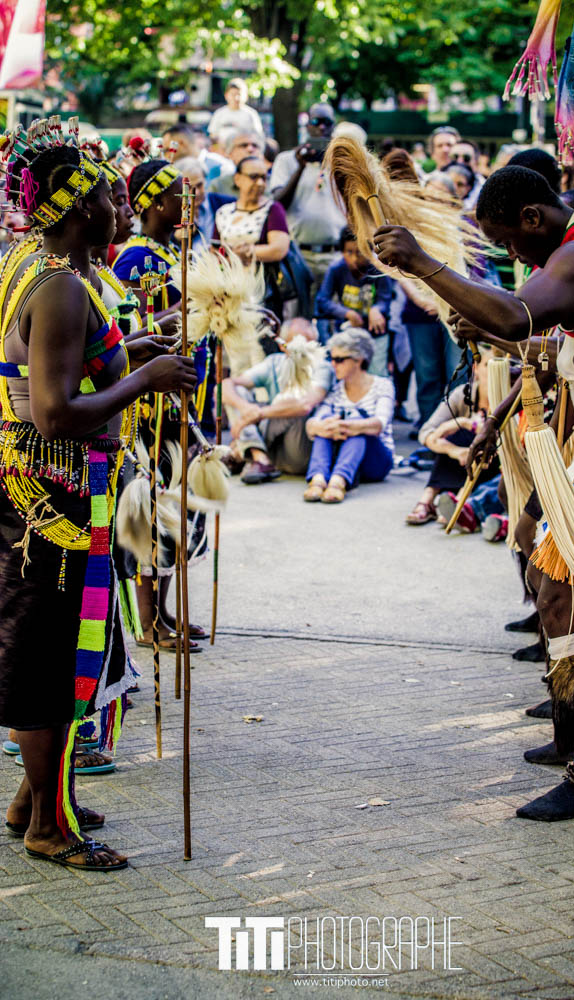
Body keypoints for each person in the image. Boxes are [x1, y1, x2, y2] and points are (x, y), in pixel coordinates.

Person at [373, 164, 574, 821]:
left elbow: (515, 313)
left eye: (509, 242)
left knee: (559, 590)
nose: (512, 257)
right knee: (554, 583)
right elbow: (546, 338)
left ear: (533, 218)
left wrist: (422, 263)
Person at [0, 124, 196, 871]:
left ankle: (34, 800)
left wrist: (133, 351)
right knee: (46, 661)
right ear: (81, 210)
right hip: (47, 495)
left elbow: (70, 368)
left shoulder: (34, 263)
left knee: (50, 651)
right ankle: (47, 828)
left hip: (43, 490)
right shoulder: (58, 288)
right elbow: (54, 411)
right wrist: (142, 380)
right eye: (111, 195)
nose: (122, 205)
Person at [113, 158, 209, 650]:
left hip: (185, 405)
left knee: (181, 509)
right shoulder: (134, 259)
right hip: (154, 412)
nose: (185, 201)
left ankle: (165, 612)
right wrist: (196, 306)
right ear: (152, 203)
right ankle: (148, 621)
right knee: (156, 510)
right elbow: (131, 334)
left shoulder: (178, 252)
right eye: (176, 192)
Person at [222, 317, 334, 483]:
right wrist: (245, 408)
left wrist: (258, 414)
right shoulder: (274, 362)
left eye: (310, 344)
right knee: (237, 392)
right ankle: (257, 455)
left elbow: (305, 404)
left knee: (290, 402)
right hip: (273, 447)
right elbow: (225, 386)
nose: (305, 350)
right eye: (298, 344)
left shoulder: (322, 367)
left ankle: (241, 451)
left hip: (299, 449)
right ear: (283, 345)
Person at [405, 351, 497, 524]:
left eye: (498, 367)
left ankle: (460, 502)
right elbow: (426, 433)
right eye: (488, 365)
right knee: (456, 435)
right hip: (460, 460)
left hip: (489, 464)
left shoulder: (508, 398)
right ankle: (428, 497)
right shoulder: (463, 394)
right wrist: (456, 442)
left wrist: (475, 428)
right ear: (476, 369)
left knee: (478, 441)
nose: (493, 372)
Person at [304, 330, 394, 503]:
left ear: (358, 360)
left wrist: (345, 426)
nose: (333, 364)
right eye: (332, 359)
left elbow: (378, 425)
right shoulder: (336, 389)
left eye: (339, 360)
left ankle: (339, 481)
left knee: (357, 424)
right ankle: (318, 478)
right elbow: (312, 423)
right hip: (343, 455)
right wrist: (324, 427)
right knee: (326, 422)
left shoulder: (383, 386)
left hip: (376, 462)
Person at [270, 103, 347, 301]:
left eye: (327, 123)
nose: (321, 128)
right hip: (298, 254)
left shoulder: (342, 163)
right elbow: (278, 205)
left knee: (332, 318)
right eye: (316, 122)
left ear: (333, 127)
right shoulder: (287, 160)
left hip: (335, 255)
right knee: (297, 319)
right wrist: (300, 167)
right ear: (307, 126)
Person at [214, 155, 291, 318]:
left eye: (264, 177)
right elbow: (213, 250)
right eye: (254, 177)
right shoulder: (224, 212)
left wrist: (247, 252)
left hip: (261, 290)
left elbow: (279, 249)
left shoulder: (273, 209)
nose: (260, 183)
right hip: (228, 290)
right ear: (237, 179)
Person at [315, 227, 392, 375]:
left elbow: (385, 299)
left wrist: (376, 309)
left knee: (377, 374)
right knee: (346, 374)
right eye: (349, 252)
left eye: (360, 252)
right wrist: (347, 313)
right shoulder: (336, 269)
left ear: (369, 252)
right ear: (342, 252)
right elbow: (322, 300)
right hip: (346, 332)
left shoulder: (378, 270)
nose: (355, 258)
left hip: (374, 334)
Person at [173, 156, 233, 252]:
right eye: (189, 188)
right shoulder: (171, 210)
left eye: (199, 185)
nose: (195, 193)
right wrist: (176, 237)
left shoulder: (225, 203)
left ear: (206, 180)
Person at [209, 129, 265, 197]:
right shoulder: (218, 185)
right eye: (243, 145)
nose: (250, 149)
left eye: (255, 145)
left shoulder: (269, 182)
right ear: (230, 153)